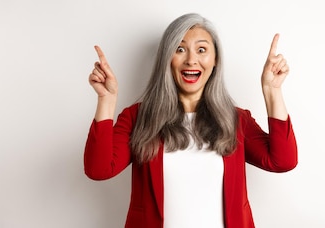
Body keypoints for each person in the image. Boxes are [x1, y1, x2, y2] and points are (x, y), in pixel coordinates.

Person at [84, 13, 298, 228]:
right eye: (180, 49)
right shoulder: (138, 117)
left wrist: (272, 91)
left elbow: (282, 161)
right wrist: (106, 100)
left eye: (201, 50)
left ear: (215, 61)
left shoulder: (236, 120)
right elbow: (99, 169)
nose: (191, 60)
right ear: (167, 59)